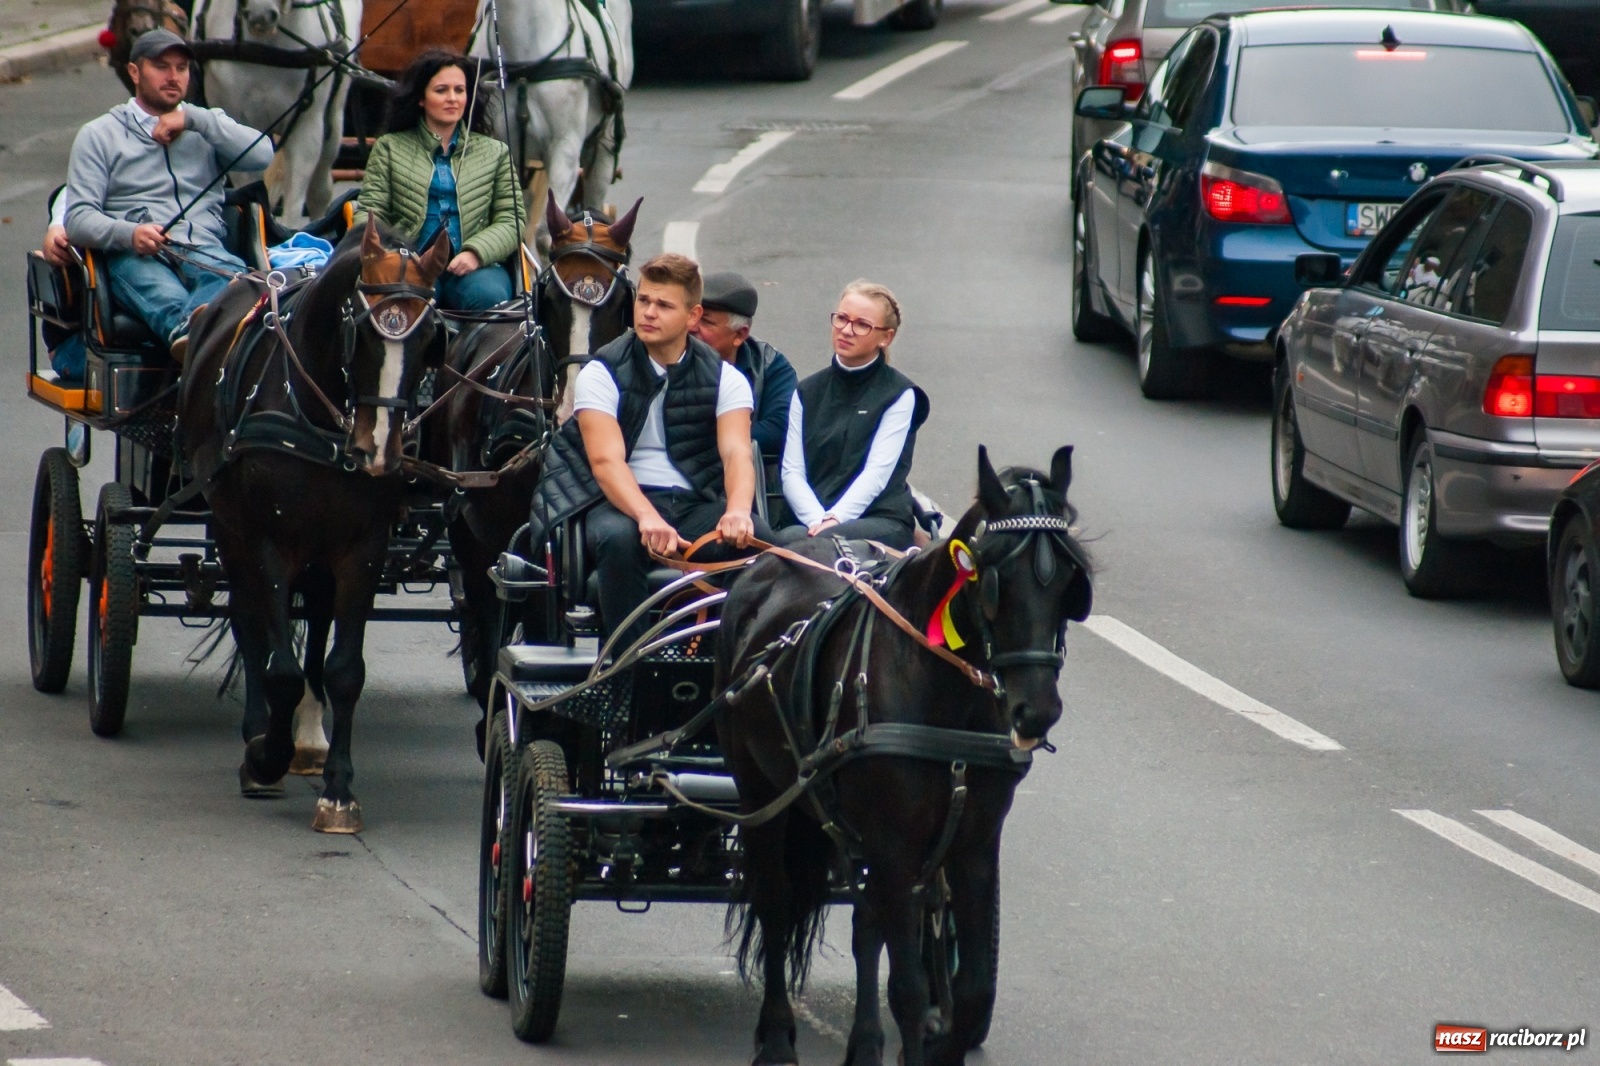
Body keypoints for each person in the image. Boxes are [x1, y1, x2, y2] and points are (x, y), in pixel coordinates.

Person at [531, 254, 769, 645]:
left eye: (663, 305)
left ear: (693, 317)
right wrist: (646, 517)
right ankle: (629, 668)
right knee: (619, 540)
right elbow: (606, 462)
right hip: (617, 503)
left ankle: (729, 661)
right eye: (644, 301)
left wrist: (739, 512)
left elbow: (736, 454)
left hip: (694, 502)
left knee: (759, 539)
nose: (649, 313)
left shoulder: (727, 378)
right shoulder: (601, 371)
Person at [64, 28, 273, 363]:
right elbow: (77, 218)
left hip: (203, 248)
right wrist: (129, 234)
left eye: (182, 68)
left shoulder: (205, 125)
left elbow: (262, 154)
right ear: (134, 72)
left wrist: (195, 119)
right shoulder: (99, 135)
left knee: (237, 280)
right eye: (161, 66)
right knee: (165, 295)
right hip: (136, 255)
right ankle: (192, 337)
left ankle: (201, 344)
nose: (173, 76)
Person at [354, 49, 523, 313]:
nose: (452, 99)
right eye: (441, 90)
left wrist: (476, 253)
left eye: (459, 90)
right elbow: (369, 212)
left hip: (475, 267)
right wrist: (386, 259)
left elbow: (512, 219)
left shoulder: (496, 152)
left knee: (488, 296)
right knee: (405, 299)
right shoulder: (389, 147)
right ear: (421, 98)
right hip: (407, 263)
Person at [777, 279, 930, 550]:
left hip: (879, 518)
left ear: (886, 337)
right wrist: (818, 520)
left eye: (861, 324)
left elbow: (876, 474)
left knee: (820, 545)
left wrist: (834, 521)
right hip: (811, 521)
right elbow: (792, 472)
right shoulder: (807, 390)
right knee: (782, 543)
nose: (846, 330)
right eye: (841, 319)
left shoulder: (900, 393)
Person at [690, 272, 798, 460]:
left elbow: (780, 429)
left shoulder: (770, 366)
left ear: (740, 334)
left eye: (705, 321)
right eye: (691, 315)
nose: (692, 327)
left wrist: (697, 442)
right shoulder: (665, 354)